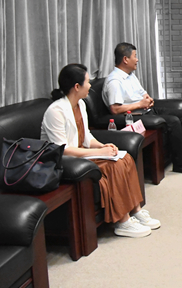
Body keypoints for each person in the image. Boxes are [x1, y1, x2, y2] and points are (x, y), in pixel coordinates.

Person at [41, 64, 160, 238]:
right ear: (77, 86)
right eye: (87, 82)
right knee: (113, 166)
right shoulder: (56, 111)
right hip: (65, 160)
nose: (90, 86)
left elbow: (86, 136)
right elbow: (62, 149)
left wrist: (102, 146)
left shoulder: (80, 104)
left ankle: (135, 210)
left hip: (81, 153)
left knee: (125, 158)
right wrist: (100, 154)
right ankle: (123, 221)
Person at [102, 42, 182, 175]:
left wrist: (148, 99)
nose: (137, 59)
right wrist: (140, 104)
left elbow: (142, 93)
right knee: (173, 121)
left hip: (146, 110)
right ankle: (180, 164)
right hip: (135, 116)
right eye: (135, 56)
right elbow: (115, 109)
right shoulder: (115, 81)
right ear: (125, 59)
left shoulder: (130, 75)